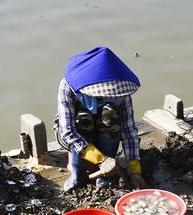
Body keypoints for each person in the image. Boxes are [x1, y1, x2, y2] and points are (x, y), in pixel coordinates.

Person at [55, 46, 146, 191]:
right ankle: (78, 174)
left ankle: (105, 178)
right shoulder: (67, 87)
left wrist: (135, 169)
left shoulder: (121, 90)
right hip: (78, 132)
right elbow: (67, 132)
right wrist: (101, 160)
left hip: (106, 131)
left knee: (110, 115)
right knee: (83, 120)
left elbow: (129, 131)